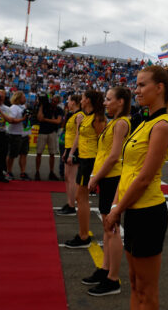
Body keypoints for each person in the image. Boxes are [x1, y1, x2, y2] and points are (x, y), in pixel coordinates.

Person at [104, 65, 168, 310]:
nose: (137, 90)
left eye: (142, 85)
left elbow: (144, 178)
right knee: (134, 284)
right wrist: (117, 206)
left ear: (159, 88)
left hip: (148, 212)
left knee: (147, 290)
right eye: (136, 85)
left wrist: (115, 211)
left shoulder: (162, 125)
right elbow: (127, 172)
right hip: (133, 211)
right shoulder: (144, 123)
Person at [83, 86, 131, 296]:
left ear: (121, 102)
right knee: (107, 227)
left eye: (109, 99)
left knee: (112, 230)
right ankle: (105, 270)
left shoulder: (121, 123)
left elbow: (113, 157)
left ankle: (113, 279)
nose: (105, 102)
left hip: (113, 179)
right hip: (109, 179)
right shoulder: (115, 122)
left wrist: (95, 177)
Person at [64, 90, 105, 248]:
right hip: (85, 160)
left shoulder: (98, 118)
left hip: (91, 161)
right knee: (80, 198)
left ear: (88, 100)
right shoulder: (87, 117)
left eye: (82, 98)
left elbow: (104, 144)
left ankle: (83, 236)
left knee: (81, 198)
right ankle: (83, 234)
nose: (80, 100)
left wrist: (97, 169)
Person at [58, 94, 82, 216]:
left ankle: (72, 206)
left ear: (74, 102)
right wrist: (66, 151)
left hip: (75, 149)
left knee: (72, 178)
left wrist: (71, 153)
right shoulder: (72, 115)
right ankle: (69, 202)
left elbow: (78, 135)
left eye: (69, 100)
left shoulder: (79, 115)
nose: (67, 102)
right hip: (69, 148)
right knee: (67, 177)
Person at [35, 94, 64, 181]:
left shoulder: (59, 109)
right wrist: (41, 106)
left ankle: (51, 172)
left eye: (55, 101)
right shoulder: (44, 106)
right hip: (42, 132)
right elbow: (39, 118)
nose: (53, 102)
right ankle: (37, 172)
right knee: (39, 153)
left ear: (58, 102)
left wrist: (46, 120)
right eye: (52, 100)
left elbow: (58, 121)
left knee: (52, 154)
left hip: (52, 132)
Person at [5, 91, 29, 180]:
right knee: (12, 154)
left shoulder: (23, 106)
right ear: (18, 98)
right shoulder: (13, 108)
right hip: (14, 134)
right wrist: (23, 119)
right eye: (23, 97)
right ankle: (9, 172)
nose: (25, 98)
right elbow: (11, 120)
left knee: (24, 154)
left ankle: (23, 172)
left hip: (24, 133)